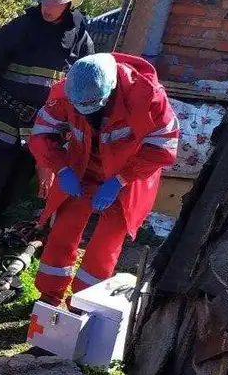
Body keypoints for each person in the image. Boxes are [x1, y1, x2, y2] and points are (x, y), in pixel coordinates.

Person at [0, 0, 95, 270]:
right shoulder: (18, 28)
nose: (48, 6)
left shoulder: (80, 39)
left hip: (43, 132)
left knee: (14, 189)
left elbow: (81, 86)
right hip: (1, 120)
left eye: (56, 1)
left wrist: (67, 134)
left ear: (71, 2)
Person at [29, 52, 179, 306]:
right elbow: (42, 133)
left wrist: (120, 180)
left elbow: (165, 147)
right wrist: (61, 169)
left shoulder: (147, 97)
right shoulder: (67, 91)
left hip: (127, 177)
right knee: (63, 231)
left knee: (105, 245)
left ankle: (84, 304)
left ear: (110, 89)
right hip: (81, 167)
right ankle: (48, 296)